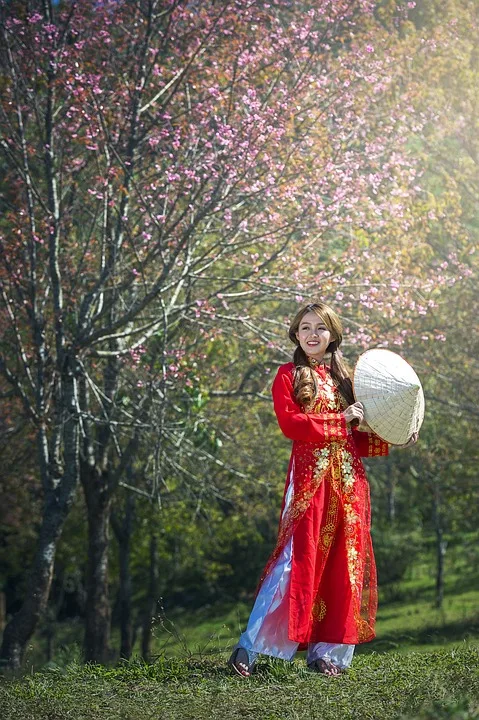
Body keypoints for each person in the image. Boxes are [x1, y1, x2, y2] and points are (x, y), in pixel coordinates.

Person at [228, 302, 418, 677]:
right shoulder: (288, 376)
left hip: (348, 487)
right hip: (308, 484)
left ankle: (326, 654)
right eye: (304, 328)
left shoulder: (345, 381)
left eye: (320, 328)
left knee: (343, 566)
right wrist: (339, 419)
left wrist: (394, 438)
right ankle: (250, 649)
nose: (312, 334)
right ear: (296, 335)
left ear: (333, 334)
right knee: (293, 563)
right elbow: (292, 424)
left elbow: (357, 439)